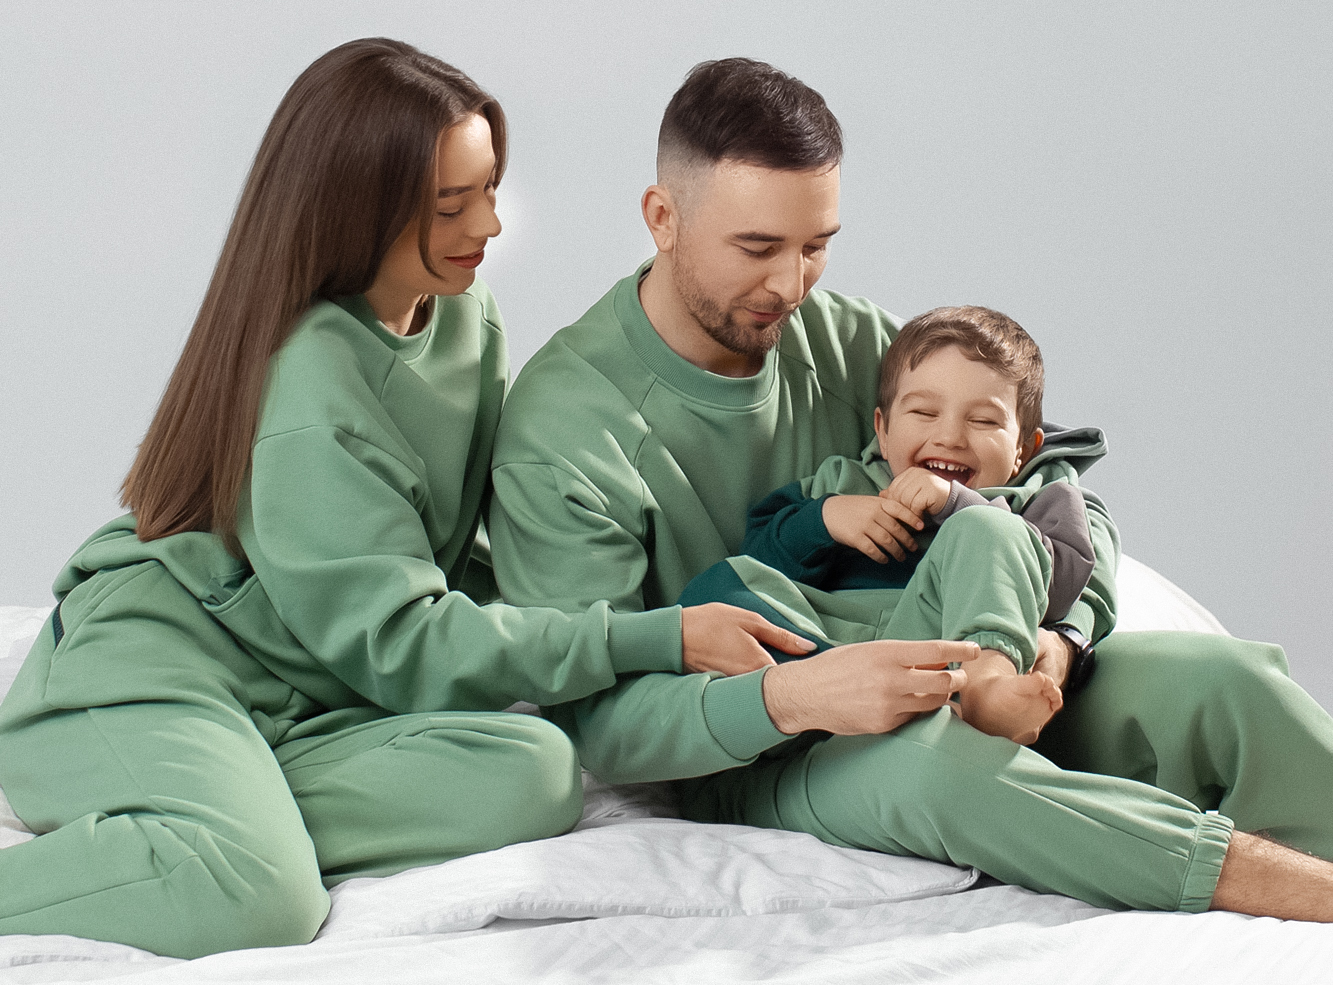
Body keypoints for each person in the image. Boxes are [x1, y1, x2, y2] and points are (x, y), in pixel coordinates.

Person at [0, 39, 815, 960]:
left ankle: (230, 810)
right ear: (361, 208)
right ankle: (222, 837)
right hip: (150, 673)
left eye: (490, 188)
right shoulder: (310, 386)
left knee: (536, 772)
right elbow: (406, 641)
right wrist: (649, 636)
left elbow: (452, 553)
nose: (490, 224)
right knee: (261, 900)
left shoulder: (465, 316)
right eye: (450, 204)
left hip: (308, 693)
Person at [489, 56, 1333, 920]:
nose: (789, 285)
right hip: (772, 746)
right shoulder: (565, 429)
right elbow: (601, 718)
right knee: (941, 770)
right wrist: (795, 695)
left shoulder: (850, 340)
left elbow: (1050, 491)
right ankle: (1295, 890)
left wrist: (1064, 641)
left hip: (967, 667)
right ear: (661, 218)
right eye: (757, 248)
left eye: (815, 246)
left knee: (1228, 683)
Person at [681, 305, 1106, 744]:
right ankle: (802, 713)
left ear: (1023, 449)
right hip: (836, 655)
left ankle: (987, 687)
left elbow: (1062, 589)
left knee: (989, 529)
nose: (950, 437)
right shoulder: (844, 481)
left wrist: (957, 504)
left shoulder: (1043, 501)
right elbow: (759, 552)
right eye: (923, 413)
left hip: (945, 653)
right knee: (717, 588)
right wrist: (826, 519)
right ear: (882, 431)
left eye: (982, 421)